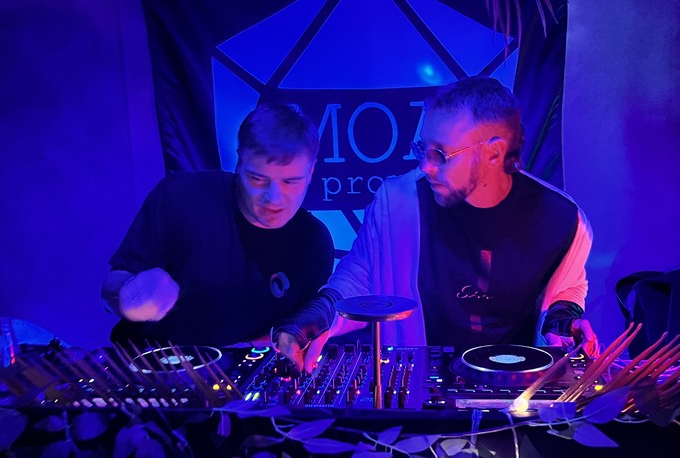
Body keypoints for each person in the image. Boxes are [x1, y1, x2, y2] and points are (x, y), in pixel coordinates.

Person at [274, 76, 596, 373]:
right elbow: (360, 278)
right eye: (422, 149)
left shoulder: (562, 220)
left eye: (441, 154)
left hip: (519, 392)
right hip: (418, 388)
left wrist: (562, 321)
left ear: (494, 154)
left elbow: (567, 287)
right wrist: (315, 318)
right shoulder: (397, 203)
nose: (426, 166)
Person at [102, 103, 334, 348]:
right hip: (152, 360)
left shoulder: (314, 241)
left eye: (291, 181)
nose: (274, 198)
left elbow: (299, 330)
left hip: (245, 367)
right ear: (239, 162)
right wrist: (130, 298)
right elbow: (109, 288)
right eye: (257, 179)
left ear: (311, 172)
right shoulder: (180, 196)